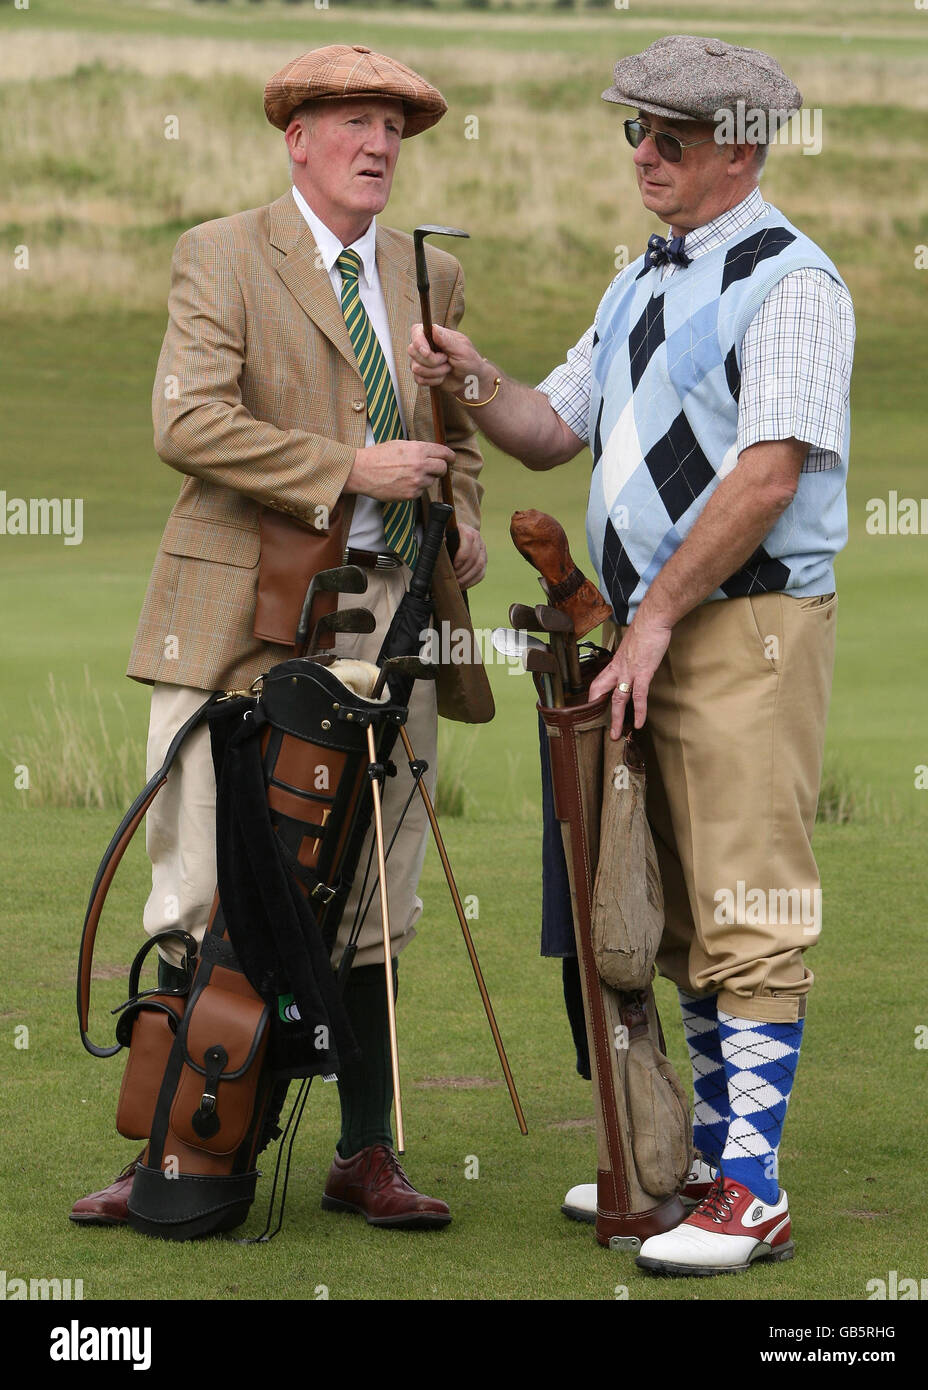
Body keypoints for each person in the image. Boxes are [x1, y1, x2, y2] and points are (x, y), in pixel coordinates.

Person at [409, 34, 854, 1274]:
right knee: (661, 903)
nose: (645, 154)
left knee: (748, 900)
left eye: (670, 136)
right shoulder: (640, 283)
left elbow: (767, 476)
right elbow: (552, 429)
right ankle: (706, 1160)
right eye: (635, 133)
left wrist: (651, 614)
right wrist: (469, 375)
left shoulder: (795, 281)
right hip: (646, 629)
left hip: (744, 625)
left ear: (742, 148)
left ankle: (750, 1191)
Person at [70, 44, 487, 1232]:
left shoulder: (431, 271)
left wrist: (455, 514)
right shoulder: (220, 253)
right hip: (234, 611)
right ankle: (174, 1153)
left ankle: (366, 1153)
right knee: (201, 883)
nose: (378, 144)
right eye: (353, 120)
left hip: (387, 613)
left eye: (395, 127)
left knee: (372, 898)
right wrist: (347, 468)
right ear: (295, 137)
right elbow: (187, 420)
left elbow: (455, 433)